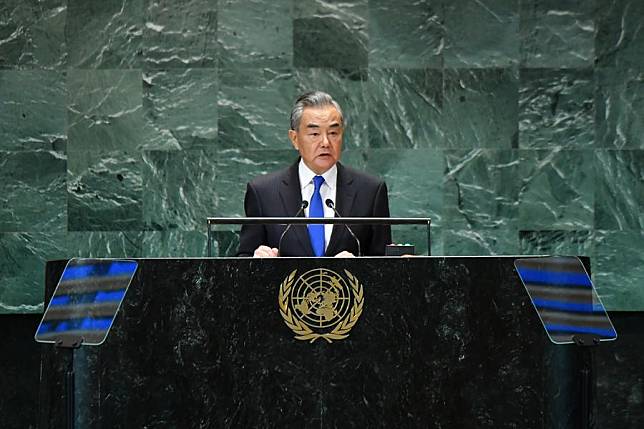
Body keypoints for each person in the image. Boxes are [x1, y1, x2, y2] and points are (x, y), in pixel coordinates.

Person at [237, 91, 391, 257]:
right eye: (314, 134)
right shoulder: (263, 193)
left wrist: (359, 268)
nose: (325, 142)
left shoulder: (370, 191)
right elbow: (243, 259)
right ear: (294, 138)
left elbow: (384, 263)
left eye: (333, 133)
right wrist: (256, 261)